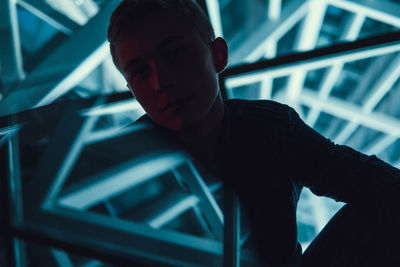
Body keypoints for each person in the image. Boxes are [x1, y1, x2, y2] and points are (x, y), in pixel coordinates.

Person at [107, 0, 400, 266]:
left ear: (218, 55)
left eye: (176, 54)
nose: (161, 82)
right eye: (140, 72)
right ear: (132, 89)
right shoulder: (267, 128)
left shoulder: (270, 128)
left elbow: (380, 186)